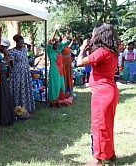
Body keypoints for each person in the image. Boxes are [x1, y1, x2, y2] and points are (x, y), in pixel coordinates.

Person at [76, 23, 119, 165]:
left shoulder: (101, 51)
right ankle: (110, 153)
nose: (92, 36)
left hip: (102, 94)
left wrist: (82, 49)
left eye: (94, 34)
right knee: (107, 125)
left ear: (100, 36)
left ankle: (97, 159)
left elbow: (79, 63)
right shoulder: (111, 52)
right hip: (110, 91)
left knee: (99, 125)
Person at [47, 25, 71, 108]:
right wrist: (55, 31)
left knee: (61, 86)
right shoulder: (50, 51)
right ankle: (52, 103)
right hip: (54, 71)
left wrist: (67, 32)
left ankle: (58, 102)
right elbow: (50, 42)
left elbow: (65, 42)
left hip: (60, 71)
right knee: (54, 86)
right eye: (55, 45)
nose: (57, 46)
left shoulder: (59, 50)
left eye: (58, 45)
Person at [0, 39, 15, 125]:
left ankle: (9, 117)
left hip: (4, 75)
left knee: (6, 95)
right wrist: (4, 59)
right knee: (4, 96)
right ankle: (4, 119)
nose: (6, 49)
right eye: (5, 48)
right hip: (0, 76)